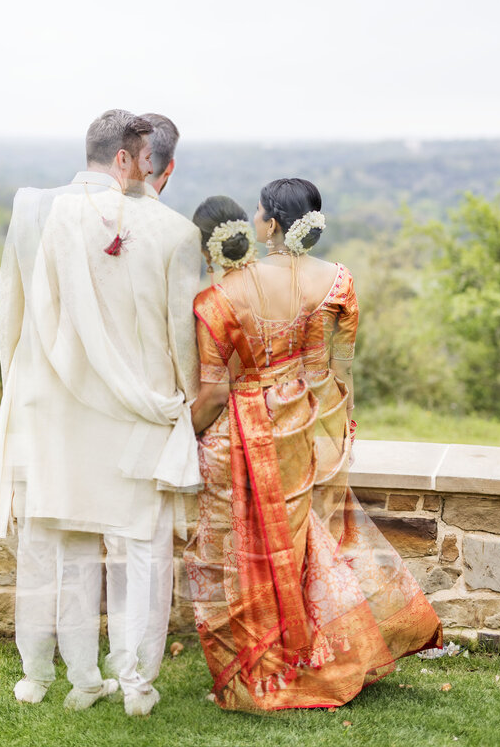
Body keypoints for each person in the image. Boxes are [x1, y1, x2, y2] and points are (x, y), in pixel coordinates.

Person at [0, 110, 202, 717]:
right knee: (142, 546)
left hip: (49, 401)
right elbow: (180, 339)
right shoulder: (173, 231)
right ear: (135, 159)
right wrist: (183, 405)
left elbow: (10, 314)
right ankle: (136, 681)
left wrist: (13, 386)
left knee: (55, 538)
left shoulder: (37, 211)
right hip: (136, 408)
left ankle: (45, 672)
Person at [184, 177, 441, 711]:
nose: (254, 221)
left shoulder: (221, 294)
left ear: (273, 224)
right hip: (305, 429)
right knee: (300, 551)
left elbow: (212, 390)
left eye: (259, 213)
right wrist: (328, 431)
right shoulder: (338, 282)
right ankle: (310, 657)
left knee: (241, 555)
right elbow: (337, 372)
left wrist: (180, 434)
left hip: (241, 434)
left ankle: (261, 671)